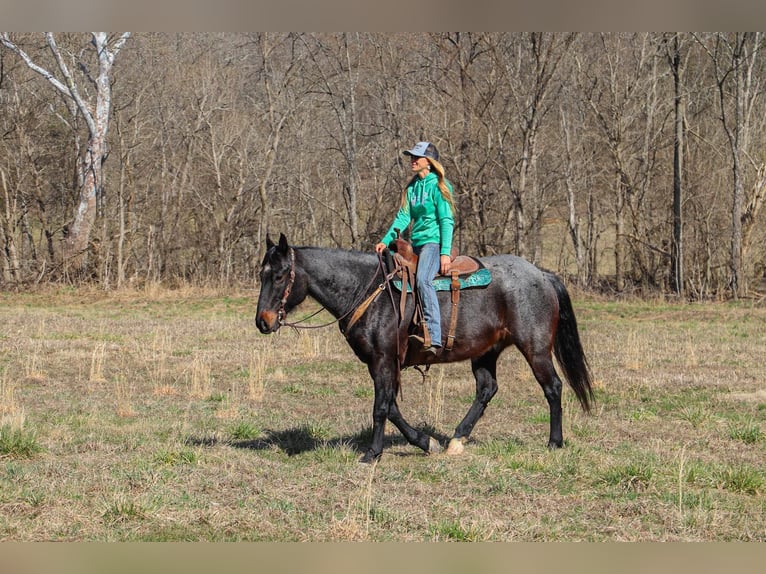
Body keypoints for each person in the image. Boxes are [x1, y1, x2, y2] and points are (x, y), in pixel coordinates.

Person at [375, 141, 455, 356]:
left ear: (428, 162)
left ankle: (434, 335)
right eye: (411, 157)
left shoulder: (439, 185)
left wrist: (445, 253)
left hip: (433, 243)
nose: (412, 160)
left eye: (416, 157)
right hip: (415, 244)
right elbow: (402, 217)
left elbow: (446, 220)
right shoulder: (411, 188)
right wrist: (386, 240)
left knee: (423, 280)